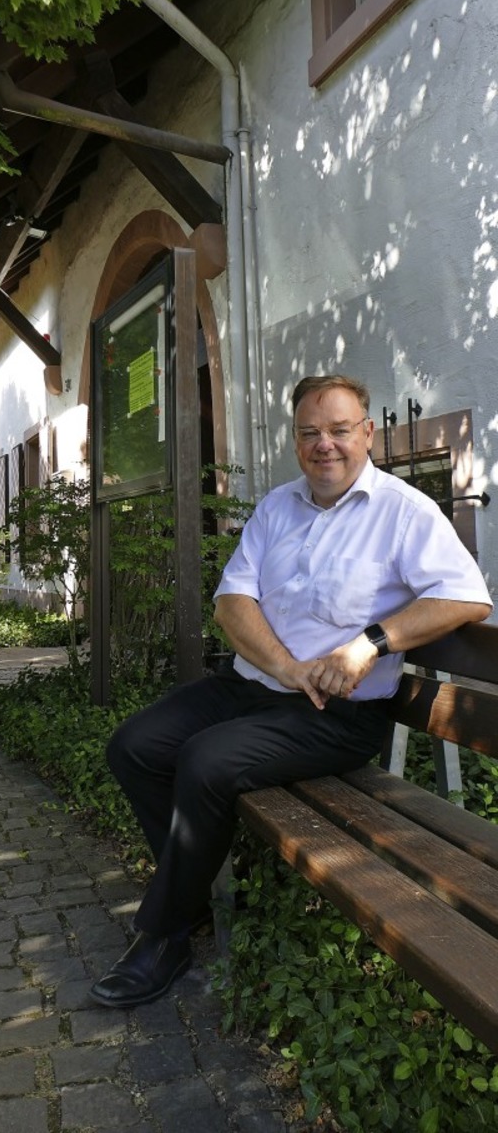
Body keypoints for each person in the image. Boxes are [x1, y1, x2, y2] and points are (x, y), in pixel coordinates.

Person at [90, 374, 492, 1009]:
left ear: (367, 434)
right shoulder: (278, 506)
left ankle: (163, 934)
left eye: (338, 430)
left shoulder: (404, 511)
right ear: (295, 440)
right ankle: (190, 892)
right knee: (134, 746)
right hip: (257, 685)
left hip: (337, 715)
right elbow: (231, 601)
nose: (323, 444)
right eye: (309, 433)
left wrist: (370, 643)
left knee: (205, 761)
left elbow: (467, 597)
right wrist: (283, 666)